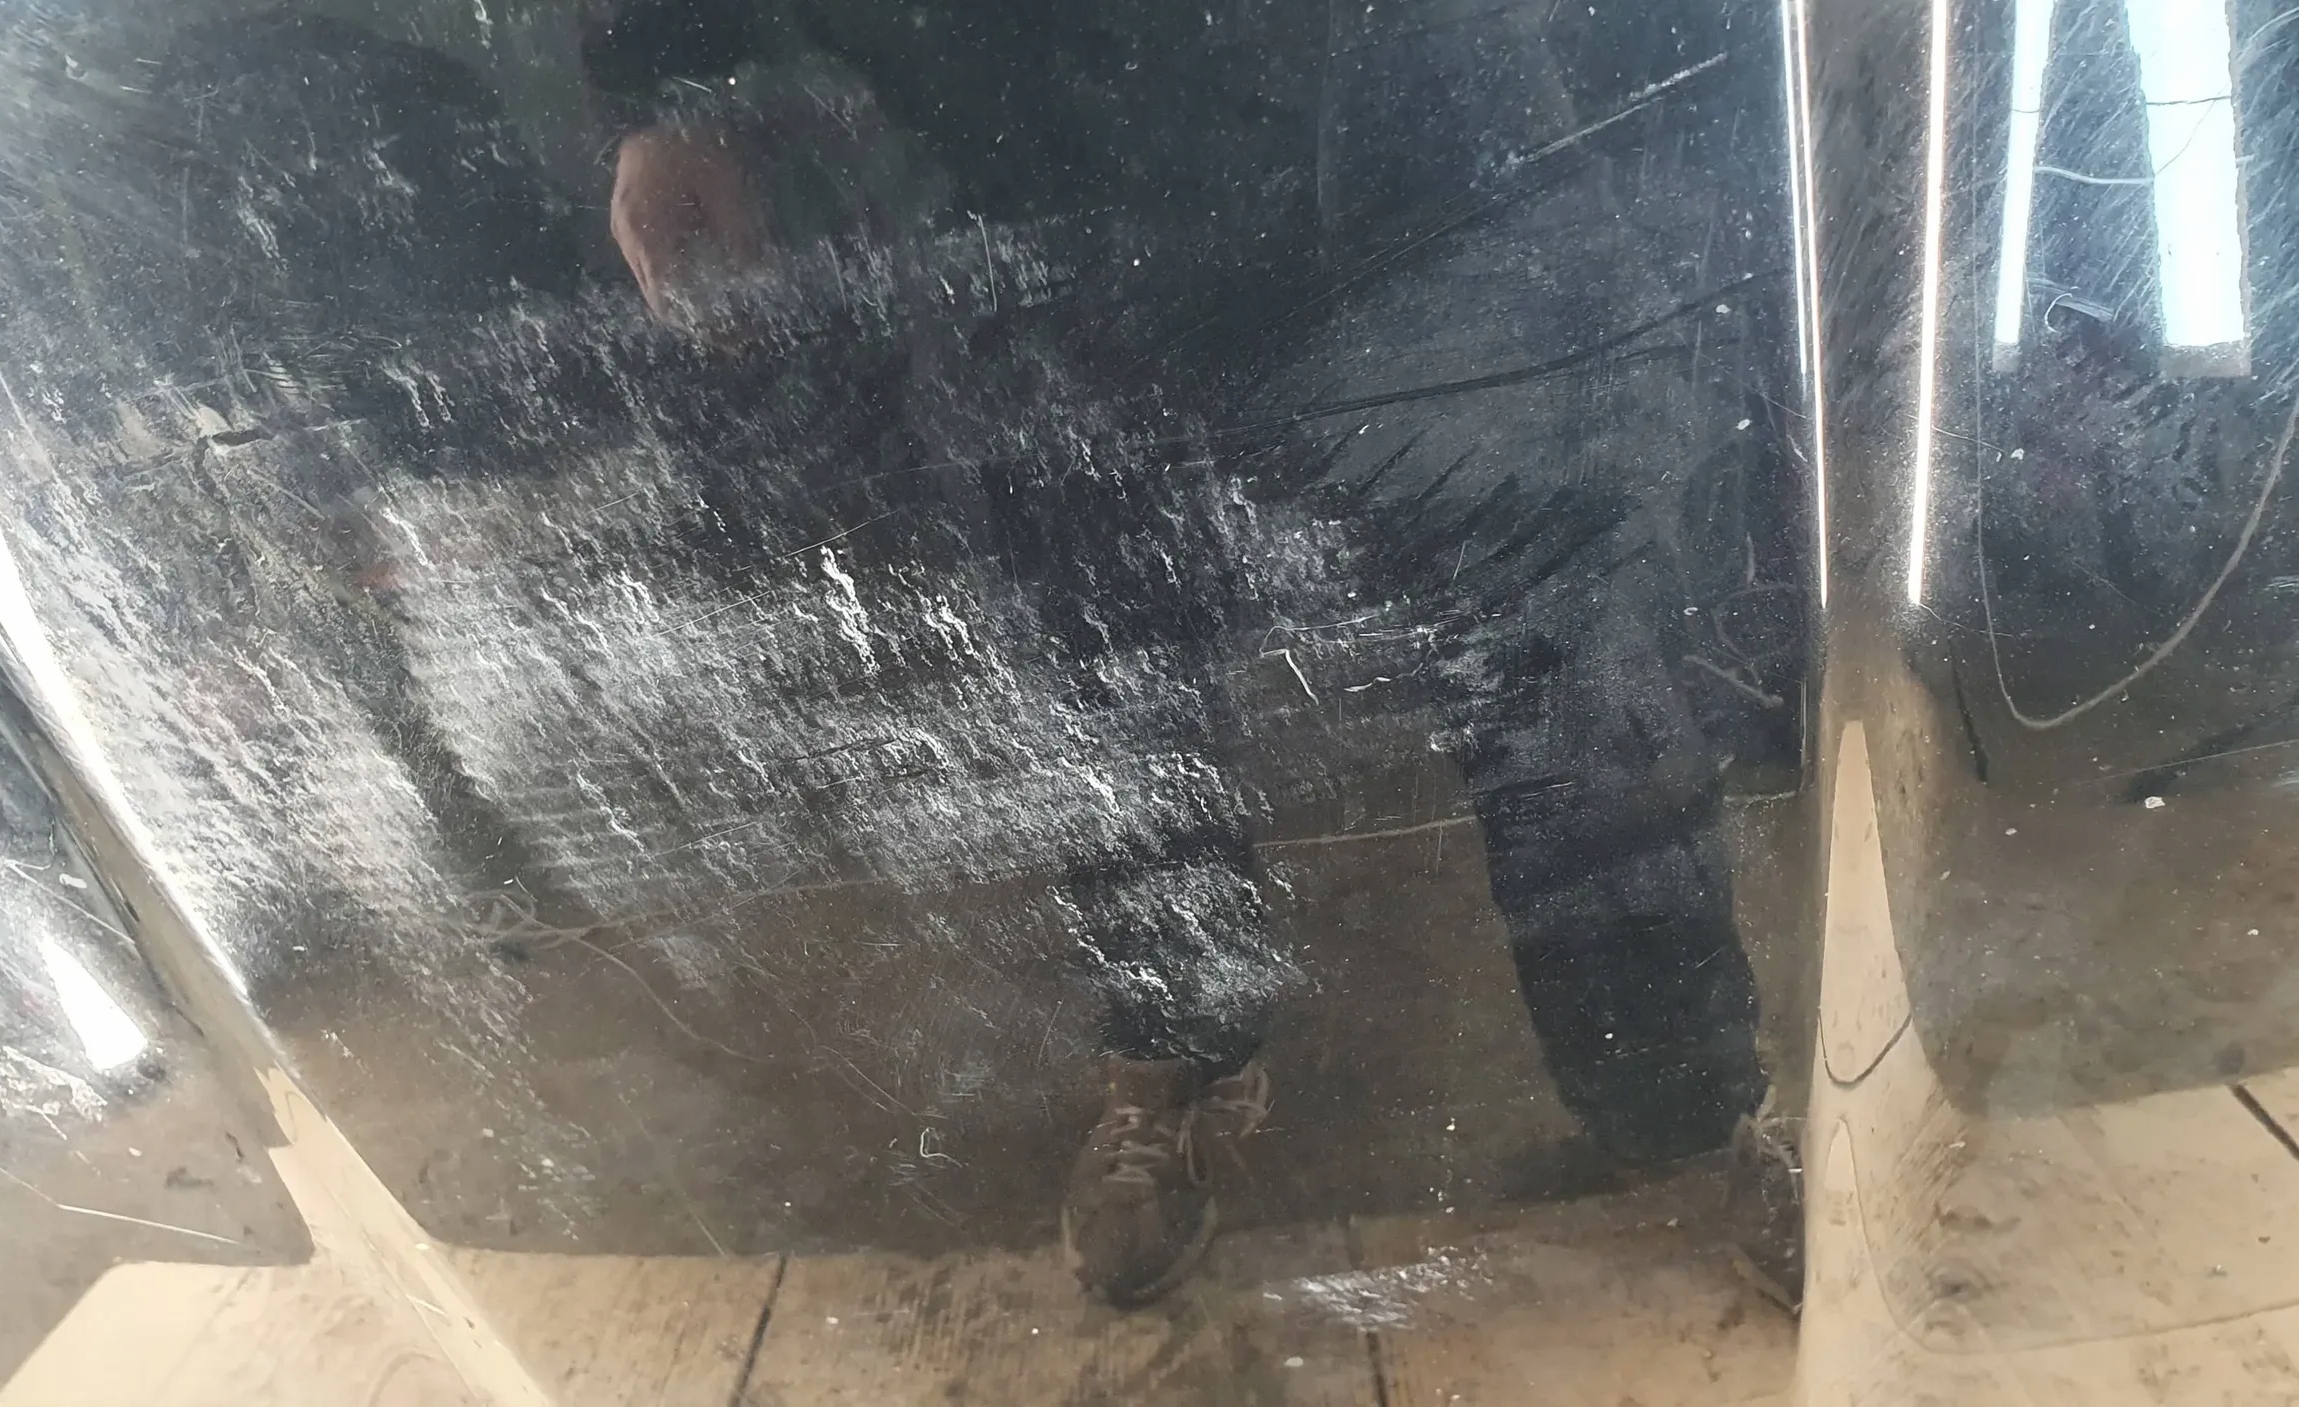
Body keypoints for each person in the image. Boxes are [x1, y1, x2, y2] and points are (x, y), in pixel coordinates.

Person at [582, 0, 1786, 1306]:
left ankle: (1686, 1102)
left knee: (1549, 619)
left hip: (1407, 111)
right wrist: (665, 81)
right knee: (1106, 674)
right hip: (1038, 145)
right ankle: (1175, 1059)